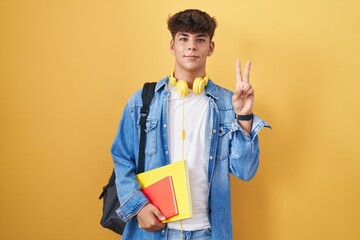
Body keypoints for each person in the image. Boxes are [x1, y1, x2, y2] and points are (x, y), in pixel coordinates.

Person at [111, 9, 270, 240]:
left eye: (200, 39)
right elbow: (122, 157)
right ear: (172, 45)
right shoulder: (143, 101)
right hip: (155, 231)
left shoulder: (228, 104)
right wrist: (138, 206)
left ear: (211, 47)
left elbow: (245, 171)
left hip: (208, 232)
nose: (191, 46)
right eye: (184, 38)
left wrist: (244, 117)